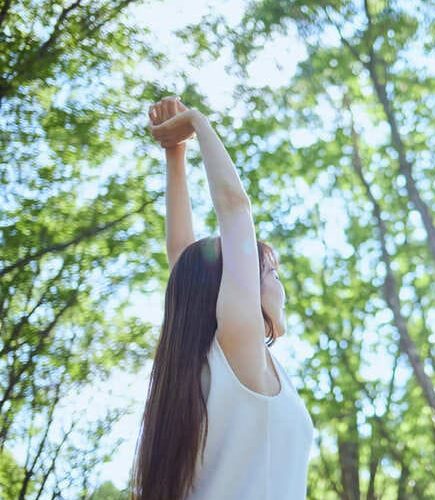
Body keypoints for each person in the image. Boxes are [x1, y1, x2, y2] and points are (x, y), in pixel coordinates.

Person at [130, 96, 314, 500]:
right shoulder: (239, 350)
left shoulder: (218, 364)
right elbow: (234, 208)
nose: (280, 286)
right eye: (271, 273)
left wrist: (174, 154)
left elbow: (183, 257)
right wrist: (195, 122)